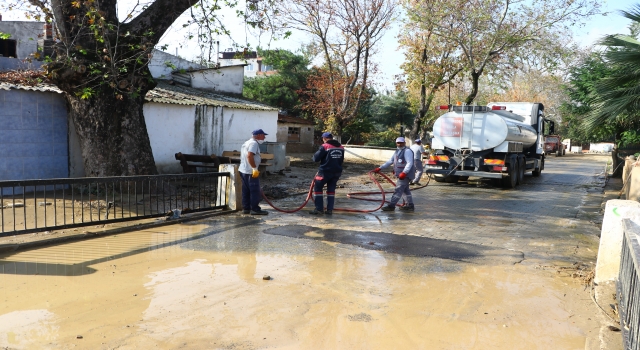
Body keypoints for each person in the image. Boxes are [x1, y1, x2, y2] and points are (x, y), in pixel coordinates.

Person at [373, 137, 415, 212]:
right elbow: (391, 161)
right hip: (401, 174)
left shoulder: (407, 151)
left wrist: (404, 172)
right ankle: (410, 205)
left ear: (404, 143)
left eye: (401, 142)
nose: (399, 144)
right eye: (398, 143)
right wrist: (380, 168)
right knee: (405, 190)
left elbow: (410, 163)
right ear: (396, 143)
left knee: (398, 190)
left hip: (405, 175)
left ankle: (391, 206)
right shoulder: (397, 151)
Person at [310, 132, 345, 215]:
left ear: (324, 138)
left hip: (325, 172)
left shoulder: (325, 146)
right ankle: (329, 210)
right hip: (337, 172)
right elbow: (341, 160)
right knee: (331, 191)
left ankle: (319, 209)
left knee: (318, 189)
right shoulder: (341, 147)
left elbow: (315, 159)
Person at [239, 129, 269, 215]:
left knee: (246, 190)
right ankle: (255, 209)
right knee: (255, 190)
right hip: (250, 171)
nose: (264, 137)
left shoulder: (247, 142)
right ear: (259, 135)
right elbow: (249, 156)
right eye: (263, 135)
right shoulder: (254, 143)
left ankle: (246, 208)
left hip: (243, 170)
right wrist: (254, 168)